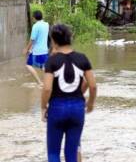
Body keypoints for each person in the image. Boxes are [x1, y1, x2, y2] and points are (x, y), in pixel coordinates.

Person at [41, 24, 97, 162]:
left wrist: (43, 107)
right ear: (70, 38)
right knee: (72, 153)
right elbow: (92, 85)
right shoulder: (82, 58)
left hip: (57, 108)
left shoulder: (51, 61)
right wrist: (90, 104)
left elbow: (47, 88)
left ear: (53, 41)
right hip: (77, 108)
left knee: (53, 152)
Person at [23, 11, 50, 85]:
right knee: (43, 67)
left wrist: (27, 49)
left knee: (28, 65)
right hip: (45, 50)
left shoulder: (35, 26)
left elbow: (32, 40)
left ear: (34, 17)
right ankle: (51, 82)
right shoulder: (46, 24)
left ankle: (40, 82)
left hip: (37, 51)